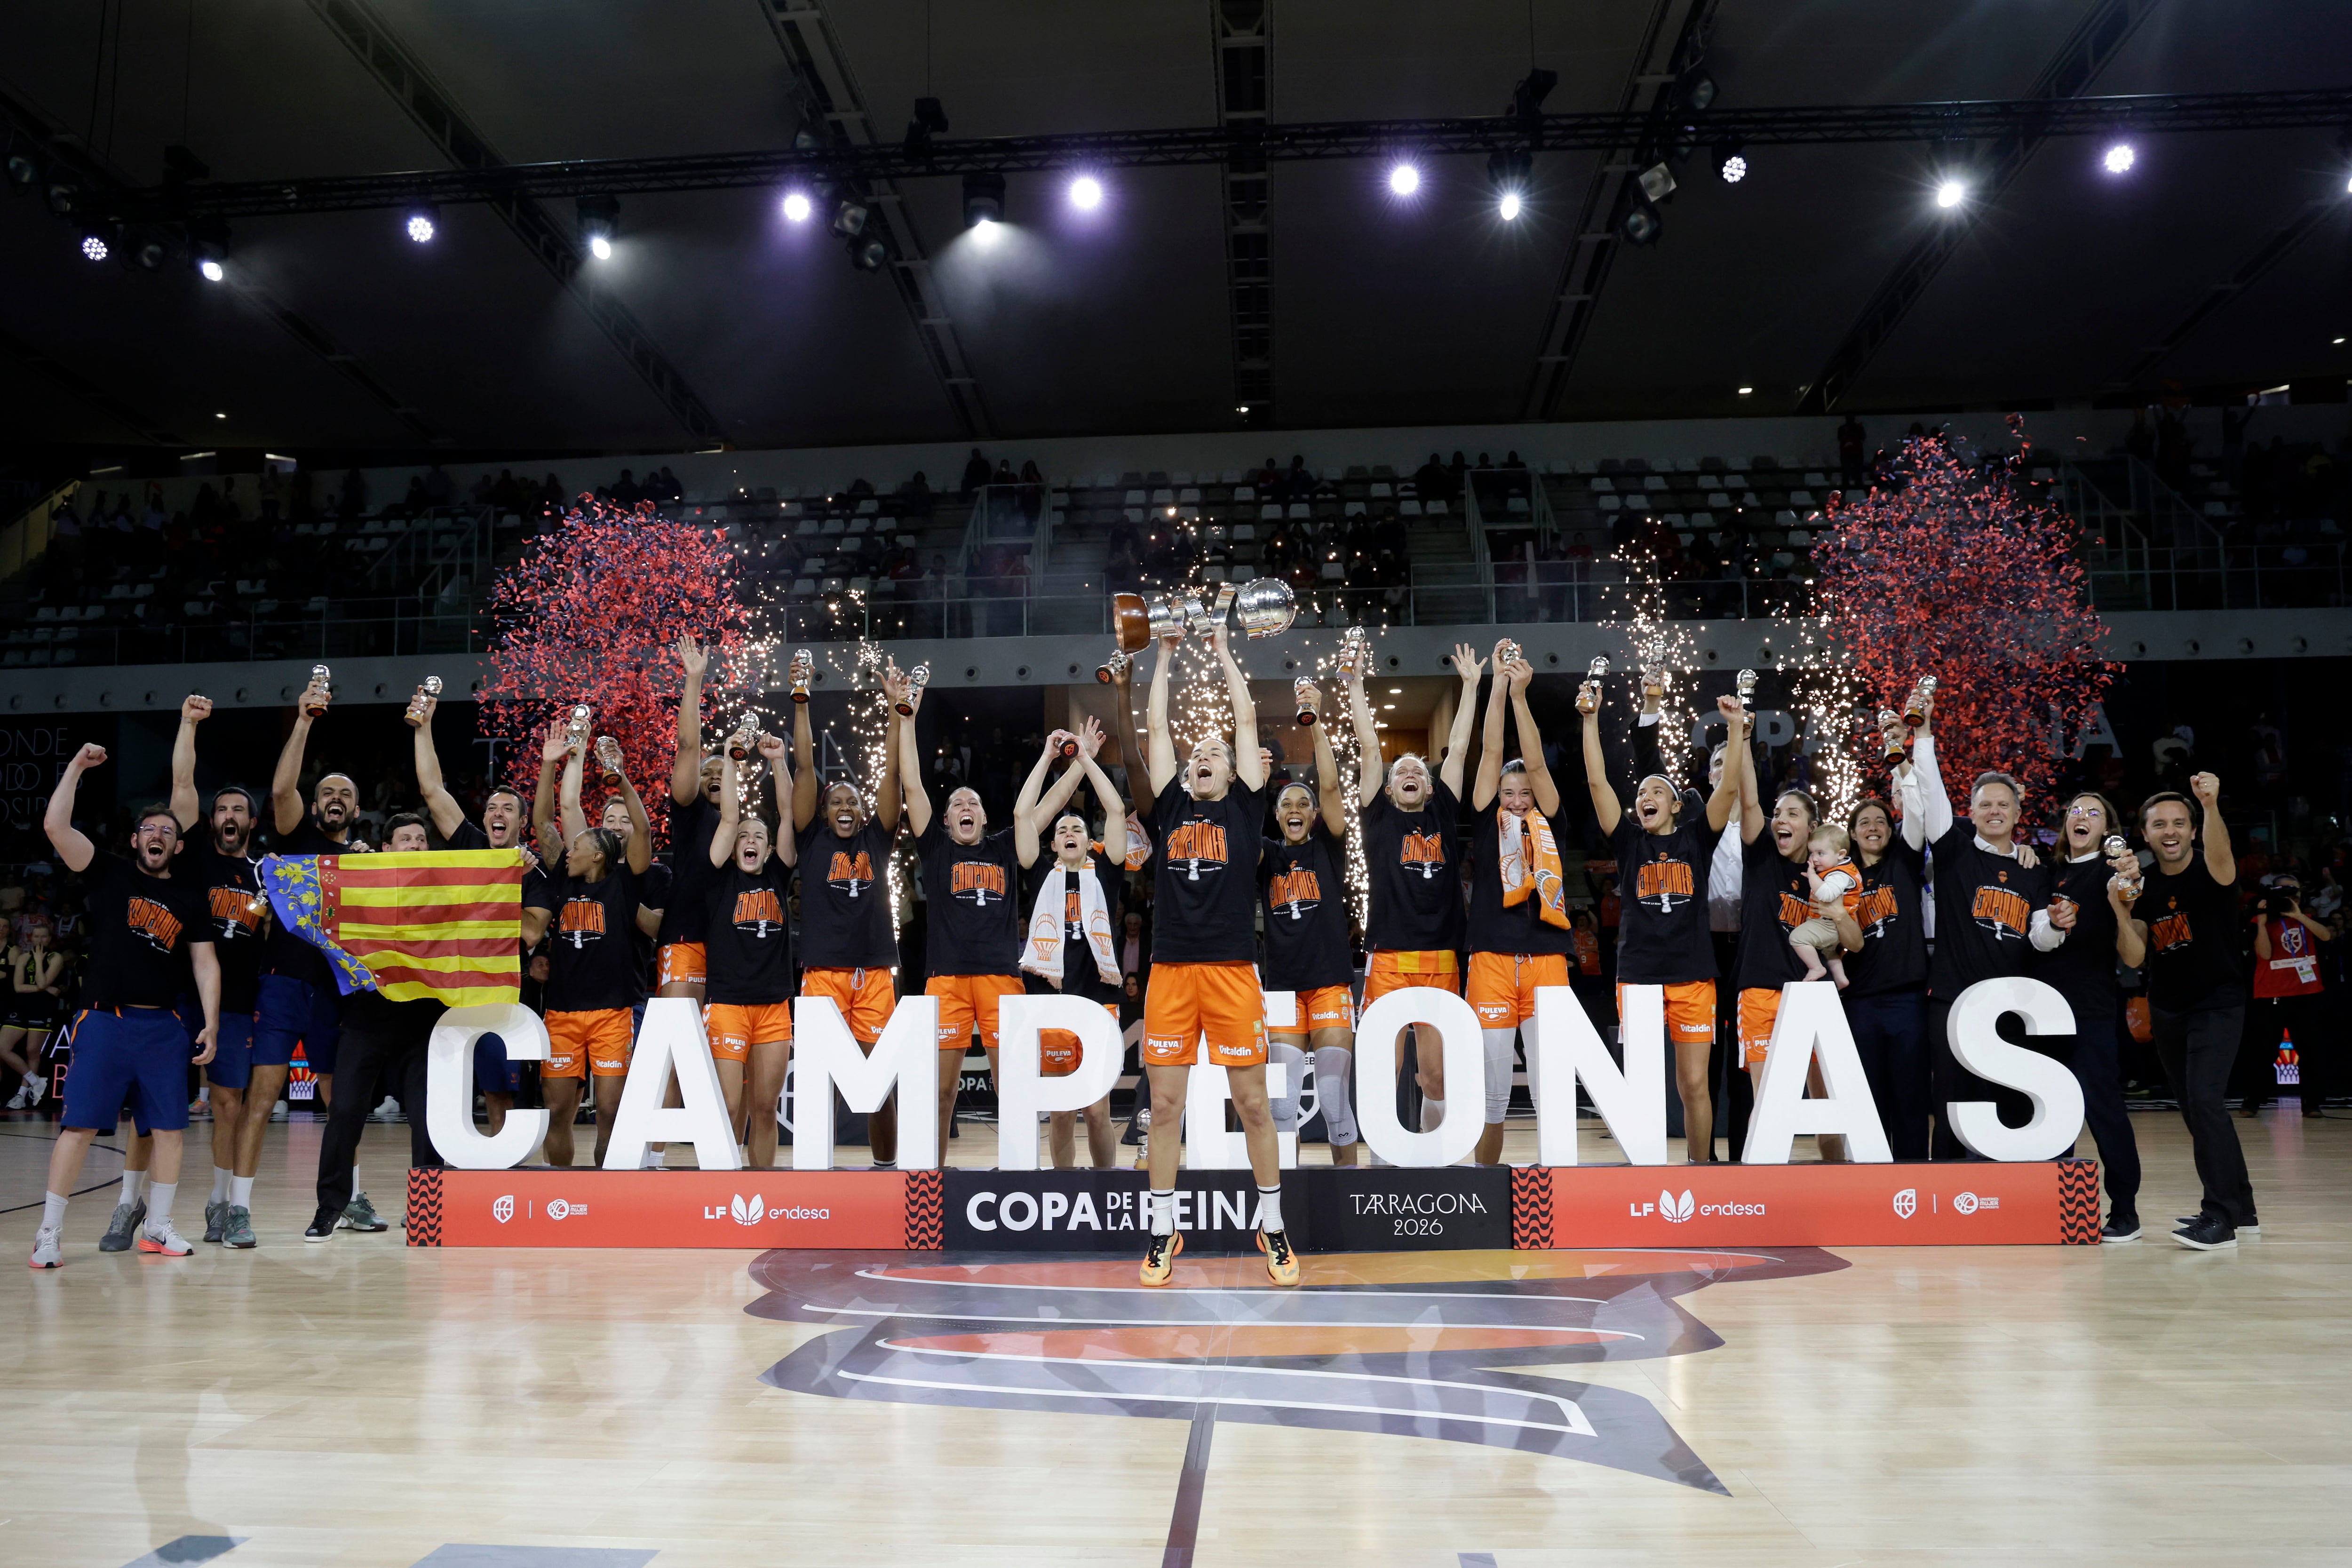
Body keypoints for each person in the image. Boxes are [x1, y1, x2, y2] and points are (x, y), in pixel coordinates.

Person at [1137, 619, 1292, 1286]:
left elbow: (1245, 714)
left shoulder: (1246, 811)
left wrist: (1224, 651)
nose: (1202, 754)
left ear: (1236, 771)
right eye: (1196, 753)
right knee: (1165, 1107)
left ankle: (1273, 1223)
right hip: (1171, 972)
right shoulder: (1172, 804)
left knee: (1253, 1105)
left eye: (1215, 752)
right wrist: (1166, 658)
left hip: (1232, 970)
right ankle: (1162, 1228)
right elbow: (1157, 728)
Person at [29, 747, 221, 1268]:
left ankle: (156, 1227)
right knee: (80, 1128)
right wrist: (75, 768)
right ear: (135, 839)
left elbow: (206, 964)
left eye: (168, 831)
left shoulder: (188, 898)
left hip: (164, 1026)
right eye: (149, 829)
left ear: (177, 846)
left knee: (171, 1132)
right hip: (104, 1020)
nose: (158, 835)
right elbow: (54, 825)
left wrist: (212, 1025)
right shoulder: (108, 871)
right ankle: (49, 1232)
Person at [900, 676, 1064, 1158]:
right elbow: (912, 781)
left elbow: (1047, 806)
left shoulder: (1002, 846)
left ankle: (1016, 1175)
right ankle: (930, 1179)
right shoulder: (934, 849)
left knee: (1010, 1088)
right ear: (946, 821)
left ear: (984, 816)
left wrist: (1066, 761)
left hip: (998, 976)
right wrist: (906, 716)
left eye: (972, 802)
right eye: (956, 804)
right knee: (941, 1092)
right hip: (946, 979)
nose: (965, 806)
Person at [1583, 678, 1743, 1163]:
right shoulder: (1628, 841)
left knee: (1694, 1083)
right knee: (1644, 1083)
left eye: (1657, 791)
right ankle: (1645, 1175)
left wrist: (1735, 729)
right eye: (1640, 794)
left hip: (1693, 976)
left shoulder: (1698, 838)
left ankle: (1698, 1170)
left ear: (1676, 804)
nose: (1644, 797)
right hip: (1638, 976)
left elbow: (1730, 786)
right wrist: (1589, 721)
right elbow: (1596, 783)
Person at [1914, 709, 2074, 1161]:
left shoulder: (2033, 869)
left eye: (2004, 804)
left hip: (2011, 1005)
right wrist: (1924, 733)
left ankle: (2004, 1197)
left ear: (2019, 813)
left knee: (2008, 1103)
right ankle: (1944, 1200)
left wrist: (2056, 927)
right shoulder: (1954, 854)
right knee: (1950, 1102)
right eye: (1985, 804)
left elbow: (2038, 935)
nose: (1995, 811)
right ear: (1970, 812)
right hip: (1952, 1000)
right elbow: (1932, 791)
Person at [1346, 643, 1482, 1130]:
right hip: (1386, 959)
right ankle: (1384, 1166)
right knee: (1385, 1073)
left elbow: (1462, 749)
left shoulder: (1442, 812)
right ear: (1386, 789)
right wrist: (1354, 684)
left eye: (1418, 772)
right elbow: (1367, 747)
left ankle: (1429, 1157)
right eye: (1400, 770)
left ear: (1429, 787)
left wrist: (1469, 688)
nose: (1409, 773)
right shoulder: (1377, 817)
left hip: (1441, 957)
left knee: (1436, 1078)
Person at [305, 808, 455, 1242]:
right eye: (406, 840)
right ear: (386, 849)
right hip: (366, 1019)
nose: (415, 846)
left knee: (427, 1120)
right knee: (345, 1113)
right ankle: (330, 1208)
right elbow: (323, 908)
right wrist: (354, 867)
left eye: (421, 840)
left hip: (423, 1022)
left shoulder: (445, 889)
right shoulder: (362, 882)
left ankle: (427, 1211)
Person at [2123, 776, 2254, 1250]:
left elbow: (2221, 853)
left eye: (2179, 822)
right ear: (2145, 834)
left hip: (2217, 1003)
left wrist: (2209, 804)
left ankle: (2218, 1217)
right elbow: (2135, 956)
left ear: (2193, 831)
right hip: (2167, 1009)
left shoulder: (2211, 869)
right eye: (2159, 824)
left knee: (2204, 1101)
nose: (2170, 830)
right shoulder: (2144, 884)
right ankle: (2243, 1206)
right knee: (2196, 1111)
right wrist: (2120, 910)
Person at [410, 684, 547, 1138]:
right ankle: (456, 1168)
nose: (497, 812)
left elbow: (529, 934)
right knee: (444, 1089)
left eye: (508, 808)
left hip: (502, 994)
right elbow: (433, 789)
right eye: (492, 807)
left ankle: (500, 1181)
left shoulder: (531, 872)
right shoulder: (469, 844)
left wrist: (502, 887)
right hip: (451, 985)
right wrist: (424, 727)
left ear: (520, 823)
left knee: (500, 1095)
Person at [166, 696, 270, 1249]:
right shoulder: (196, 857)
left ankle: (221, 1202)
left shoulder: (266, 875)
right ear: (212, 821)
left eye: (238, 811)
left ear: (251, 822)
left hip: (235, 1003)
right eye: (222, 811)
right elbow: (183, 782)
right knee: (156, 1101)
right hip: (178, 995)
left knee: (229, 1103)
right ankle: (136, 1205)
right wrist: (188, 724)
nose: (229, 818)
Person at [1730, 724, 1861, 1159]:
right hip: (1762, 991)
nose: (1780, 819)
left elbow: (1853, 943)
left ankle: (1840, 1189)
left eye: (1792, 814)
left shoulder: (1831, 878)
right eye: (1778, 812)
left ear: (1812, 828)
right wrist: (1741, 735)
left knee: (1828, 1105)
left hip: (1813, 998)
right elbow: (1748, 798)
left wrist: (1839, 912)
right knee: (1768, 1102)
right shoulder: (1761, 853)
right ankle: (1760, 1199)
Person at [528, 719, 653, 1168]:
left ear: (598, 853)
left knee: (610, 1112)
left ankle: (604, 1193)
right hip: (562, 1012)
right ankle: (563, 1196)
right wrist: (550, 765)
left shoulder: (626, 883)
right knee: (559, 1110)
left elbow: (643, 832)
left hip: (613, 1014)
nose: (569, 848)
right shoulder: (564, 874)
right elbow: (545, 819)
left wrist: (622, 778)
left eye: (578, 844)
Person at [791, 669, 904, 1165]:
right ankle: (818, 1171)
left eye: (851, 802)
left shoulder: (876, 840)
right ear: (822, 812)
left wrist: (896, 713)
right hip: (823, 974)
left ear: (862, 814)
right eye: (835, 801)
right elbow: (803, 767)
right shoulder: (811, 839)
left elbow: (891, 778)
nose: (843, 806)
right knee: (821, 1081)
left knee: (878, 1081)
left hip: (874, 974)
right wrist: (801, 702)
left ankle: (885, 1169)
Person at [1464, 645, 1571, 1166]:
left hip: (1546, 957)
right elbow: (1488, 754)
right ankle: (1486, 1181)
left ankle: (1556, 1178)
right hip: (1491, 958)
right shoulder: (1488, 820)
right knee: (1493, 1087)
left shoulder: (1549, 819)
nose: (1517, 798)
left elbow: (1534, 761)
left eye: (1525, 791)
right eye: (1508, 791)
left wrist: (1522, 698)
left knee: (1550, 1082)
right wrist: (1498, 689)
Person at [2033, 791, 2148, 1242]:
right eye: (2075, 811)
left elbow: (2131, 890)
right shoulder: (2050, 872)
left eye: (2093, 812)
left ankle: (2125, 1209)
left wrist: (2131, 879)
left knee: (2103, 1110)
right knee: (2053, 1114)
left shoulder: (2111, 871)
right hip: (2044, 1013)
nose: (2082, 817)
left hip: (2091, 1010)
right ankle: (2062, 1208)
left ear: (2107, 829)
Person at [1014, 722, 1128, 1169]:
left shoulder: (1107, 872)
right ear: (1054, 843)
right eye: (1062, 828)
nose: (1069, 832)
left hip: (1098, 1001)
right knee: (1061, 1110)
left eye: (1077, 827)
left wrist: (1085, 758)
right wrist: (1047, 757)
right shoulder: (1041, 874)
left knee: (1097, 1110)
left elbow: (1117, 812)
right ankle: (1065, 1197)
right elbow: (1025, 816)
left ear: (1087, 839)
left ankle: (1106, 1192)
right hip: (1053, 1001)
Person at [1261, 682, 1360, 1166]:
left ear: (1314, 815)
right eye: (1286, 806)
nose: (1295, 810)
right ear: (1277, 817)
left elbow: (1330, 785)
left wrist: (1314, 721)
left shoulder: (1328, 847)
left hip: (1327, 984)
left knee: (1334, 1097)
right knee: (1281, 1108)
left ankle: (1349, 1200)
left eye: (1303, 805)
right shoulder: (1267, 857)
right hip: (1281, 989)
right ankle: (1288, 1205)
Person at [259, 671, 361, 1124]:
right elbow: (282, 790)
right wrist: (303, 721)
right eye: (327, 793)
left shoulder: (366, 862)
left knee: (338, 1100)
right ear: (315, 806)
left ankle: (350, 1192)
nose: (335, 798)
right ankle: (236, 1194)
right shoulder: (297, 836)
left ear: (357, 810)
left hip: (332, 986)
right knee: (261, 1097)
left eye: (345, 794)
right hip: (283, 979)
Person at [701, 734, 798, 1167]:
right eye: (744, 835)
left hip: (774, 1006)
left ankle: (760, 1194)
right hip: (727, 1004)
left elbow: (789, 813)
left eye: (759, 835)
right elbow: (728, 819)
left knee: (764, 1108)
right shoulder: (719, 877)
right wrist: (731, 761)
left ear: (770, 846)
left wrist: (778, 762)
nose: (751, 839)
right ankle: (723, 1195)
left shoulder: (779, 874)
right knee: (726, 1103)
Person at [1843, 742, 1934, 1157]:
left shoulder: (1903, 860)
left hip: (1908, 999)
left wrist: (1900, 762)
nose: (1874, 827)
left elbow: (1915, 812)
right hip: (1860, 1001)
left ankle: (1914, 1182)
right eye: (1864, 822)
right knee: (1871, 1100)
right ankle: (1876, 1191)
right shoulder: (1842, 878)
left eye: (1881, 820)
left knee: (1912, 1099)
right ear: (1853, 832)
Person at [2238, 873, 2332, 1117]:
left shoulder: (2307, 919)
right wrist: (2260, 920)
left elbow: (2327, 936)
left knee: (2311, 1051)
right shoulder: (2263, 922)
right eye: (2284, 892)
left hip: (2307, 994)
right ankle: (2252, 1102)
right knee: (2263, 1051)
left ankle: (2311, 1104)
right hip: (2272, 995)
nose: (2291, 896)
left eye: (2295, 892)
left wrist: (2298, 915)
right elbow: (2266, 955)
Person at [2, 917, 64, 1109]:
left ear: (49, 938)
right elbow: (19, 987)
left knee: (32, 1052)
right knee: (2, 1047)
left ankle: (21, 1096)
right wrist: (45, 988)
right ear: (31, 937)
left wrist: (39, 961)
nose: (40, 940)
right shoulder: (22, 957)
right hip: (22, 1007)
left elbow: (43, 982)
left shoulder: (56, 958)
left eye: (44, 937)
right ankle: (37, 1082)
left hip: (43, 1008)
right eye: (36, 936)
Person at [1789, 826, 1860, 987]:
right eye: (1812, 853)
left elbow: (1826, 894)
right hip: (1833, 926)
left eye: (1820, 853)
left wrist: (1813, 877)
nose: (1814, 859)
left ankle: (1816, 968)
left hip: (1829, 925)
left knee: (1797, 938)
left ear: (1841, 854)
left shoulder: (1840, 875)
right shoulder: (1840, 870)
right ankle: (1841, 979)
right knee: (1829, 951)